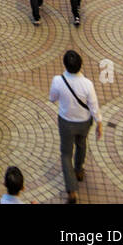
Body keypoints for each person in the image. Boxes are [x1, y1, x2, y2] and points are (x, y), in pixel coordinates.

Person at [48, 50, 103, 204]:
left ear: (65, 64)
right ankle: (79, 170)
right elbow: (93, 106)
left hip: (66, 121)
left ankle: (71, 191)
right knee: (81, 144)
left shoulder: (58, 80)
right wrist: (99, 123)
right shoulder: (87, 84)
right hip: (84, 122)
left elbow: (52, 98)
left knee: (66, 154)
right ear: (81, 65)